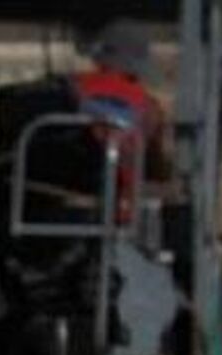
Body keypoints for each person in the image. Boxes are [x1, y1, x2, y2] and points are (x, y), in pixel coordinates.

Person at [71, 19, 170, 220]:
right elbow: (157, 170)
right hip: (118, 213)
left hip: (55, 201)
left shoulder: (71, 88)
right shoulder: (148, 106)